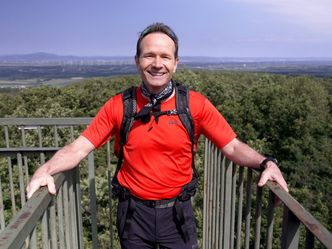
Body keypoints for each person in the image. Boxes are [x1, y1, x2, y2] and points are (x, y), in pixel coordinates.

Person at [27, 22, 288, 249]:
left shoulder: (194, 105)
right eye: (149, 55)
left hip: (178, 214)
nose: (157, 63)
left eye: (165, 56)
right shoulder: (120, 105)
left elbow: (231, 147)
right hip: (133, 215)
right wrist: (46, 169)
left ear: (176, 63)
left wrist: (267, 163)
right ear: (137, 61)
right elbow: (78, 148)